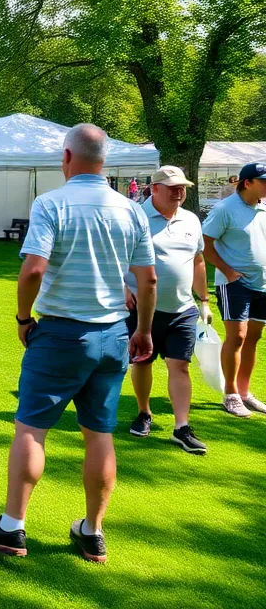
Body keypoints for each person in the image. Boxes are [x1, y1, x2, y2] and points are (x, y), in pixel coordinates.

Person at [0, 124, 156, 564]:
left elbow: (32, 270)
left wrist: (23, 317)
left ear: (66, 157)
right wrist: (143, 329)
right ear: (104, 159)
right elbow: (148, 279)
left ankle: (12, 526)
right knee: (100, 434)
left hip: (62, 332)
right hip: (113, 334)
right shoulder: (132, 209)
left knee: (31, 429)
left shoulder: (52, 203)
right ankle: (92, 531)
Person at [125, 167, 210, 453]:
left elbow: (198, 260)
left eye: (182, 187)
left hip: (182, 308)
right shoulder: (134, 217)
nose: (179, 192)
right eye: (172, 187)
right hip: (142, 308)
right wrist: (123, 288)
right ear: (154, 188)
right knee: (142, 362)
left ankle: (181, 427)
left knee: (180, 365)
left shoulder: (191, 219)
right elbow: (114, 257)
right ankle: (144, 412)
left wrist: (205, 300)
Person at [202, 160, 266, 417]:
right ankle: (230, 394)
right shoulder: (225, 208)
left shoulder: (263, 208)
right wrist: (228, 272)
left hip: (262, 284)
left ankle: (244, 392)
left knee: (253, 337)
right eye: (264, 181)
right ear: (247, 182)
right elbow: (205, 243)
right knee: (237, 336)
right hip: (234, 283)